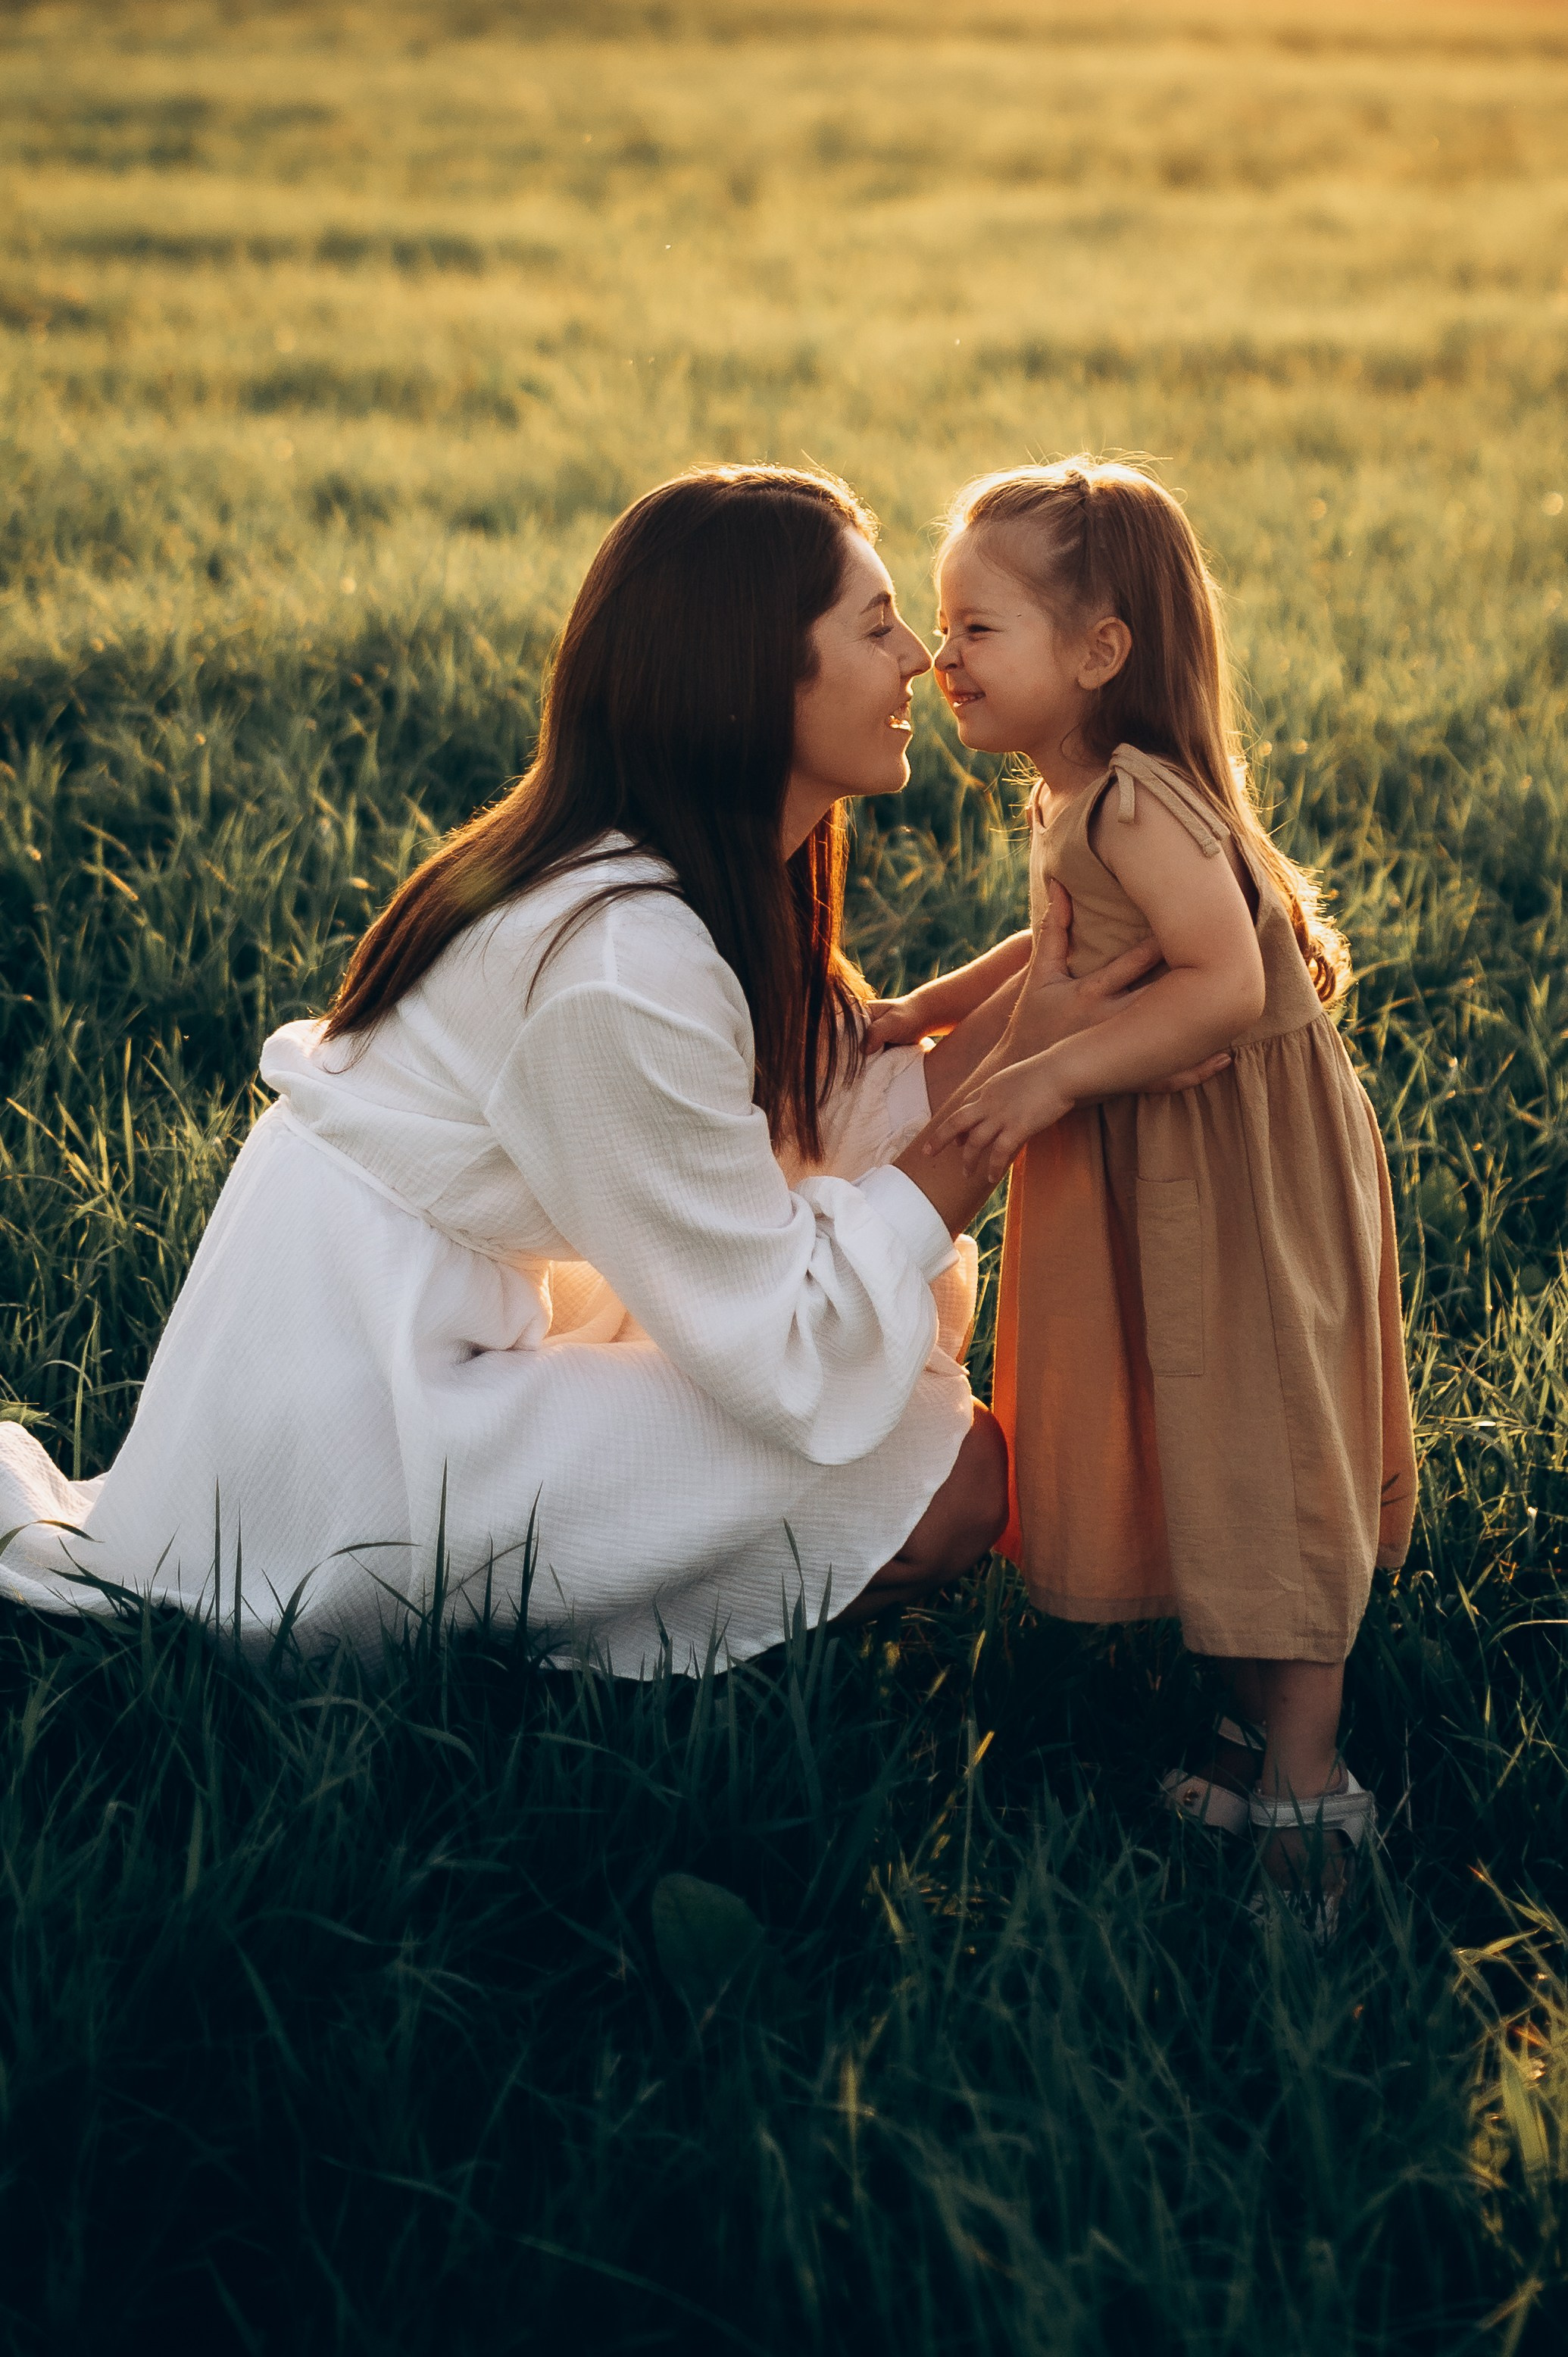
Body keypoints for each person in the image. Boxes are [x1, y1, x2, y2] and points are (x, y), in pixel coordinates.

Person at [0, 465, 1201, 1675]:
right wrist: (1025, 1078)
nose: (916, 662)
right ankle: (542, 1656)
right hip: (363, 1422)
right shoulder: (617, 957)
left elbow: (826, 1118)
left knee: (906, 1421)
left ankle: (631, 1609)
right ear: (748, 671)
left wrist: (1084, 988)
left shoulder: (683, 877)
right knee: (947, 1477)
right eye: (876, 622)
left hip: (444, 1335)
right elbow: (785, 1342)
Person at [873, 458, 1417, 1933]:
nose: (939, 657)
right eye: (938, 624)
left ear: (1099, 652)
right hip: (1165, 1159)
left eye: (977, 629)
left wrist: (1050, 1080)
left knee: (1255, 1439)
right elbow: (1050, 930)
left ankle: (1313, 1782)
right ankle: (1248, 1722)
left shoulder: (1133, 801)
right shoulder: (1080, 796)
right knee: (1193, 1427)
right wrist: (930, 1004)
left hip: (1229, 1168)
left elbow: (1228, 983)